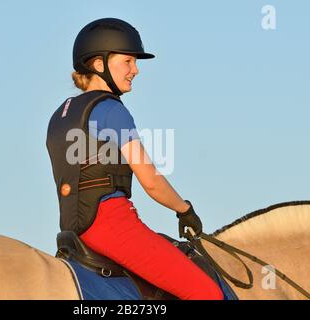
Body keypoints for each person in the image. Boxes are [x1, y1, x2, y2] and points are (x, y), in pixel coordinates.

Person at [46, 18, 223, 300]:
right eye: (128, 61)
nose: (136, 70)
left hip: (75, 230)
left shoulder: (61, 115)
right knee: (206, 293)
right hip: (114, 227)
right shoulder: (110, 109)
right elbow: (151, 181)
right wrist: (184, 209)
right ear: (98, 64)